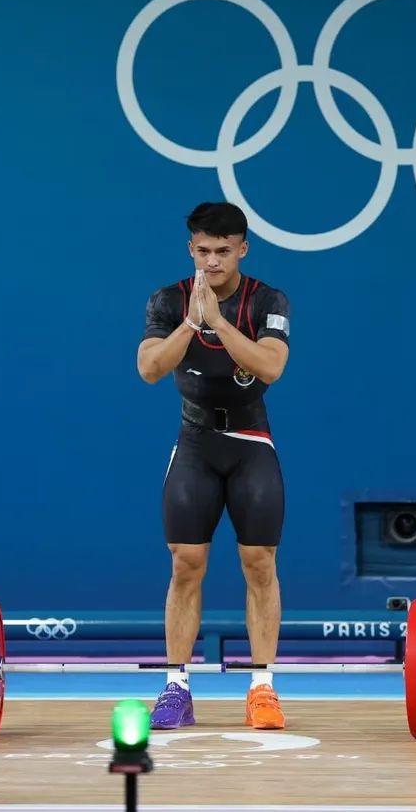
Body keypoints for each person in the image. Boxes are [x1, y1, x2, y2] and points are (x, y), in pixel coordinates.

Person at [135, 201, 292, 731]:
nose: (213, 261)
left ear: (242, 249)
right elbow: (149, 370)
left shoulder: (268, 299)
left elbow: (271, 365)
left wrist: (219, 323)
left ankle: (262, 687)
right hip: (197, 440)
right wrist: (190, 324)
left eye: (224, 251)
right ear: (191, 249)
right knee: (185, 565)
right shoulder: (168, 299)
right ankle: (176, 687)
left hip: (249, 440)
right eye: (203, 251)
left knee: (259, 564)